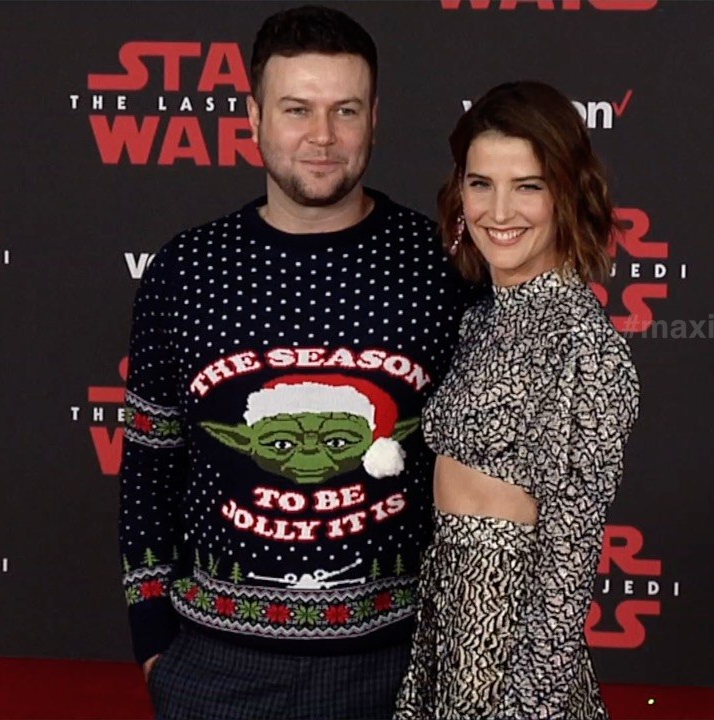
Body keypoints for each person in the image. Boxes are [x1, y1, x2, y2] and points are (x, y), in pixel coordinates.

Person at [117, 5, 467, 719]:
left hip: (401, 665)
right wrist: (153, 641)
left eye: (345, 110)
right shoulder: (187, 270)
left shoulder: (441, 264)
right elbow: (149, 466)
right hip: (216, 670)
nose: (322, 136)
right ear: (254, 117)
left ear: (375, 118)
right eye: (297, 109)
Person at [395, 81, 641, 720]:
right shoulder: (481, 317)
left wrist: (529, 703)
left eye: (528, 186)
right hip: (446, 627)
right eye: (481, 184)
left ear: (568, 193)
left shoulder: (583, 344)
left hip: (509, 652)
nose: (499, 211)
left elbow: (567, 564)